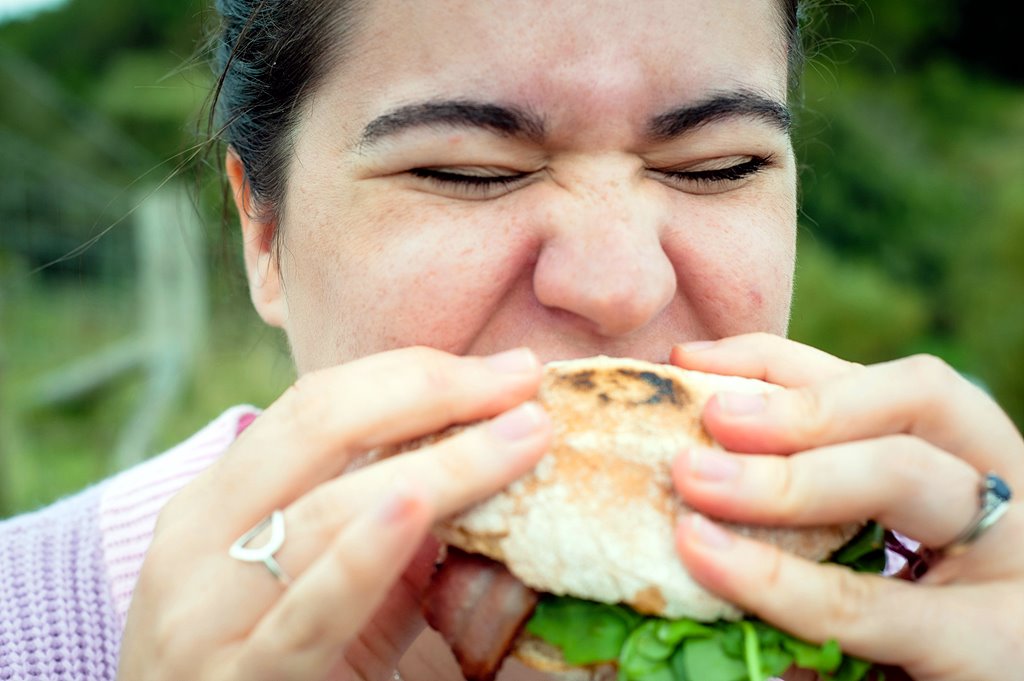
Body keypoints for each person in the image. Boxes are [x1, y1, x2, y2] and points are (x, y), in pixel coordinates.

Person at [2, 1, 1022, 680]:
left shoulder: (937, 607)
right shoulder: (28, 629)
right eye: (468, 171)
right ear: (262, 235)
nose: (620, 288)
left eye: (717, 164)